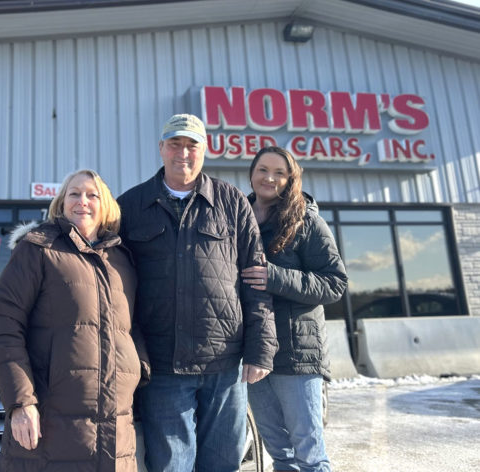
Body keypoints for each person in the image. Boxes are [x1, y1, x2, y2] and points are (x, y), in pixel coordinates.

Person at [117, 113, 278, 472]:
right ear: (161, 148)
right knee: (171, 466)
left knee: (223, 464)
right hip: (162, 366)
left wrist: (261, 349)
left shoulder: (232, 202)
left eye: (192, 145)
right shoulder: (130, 207)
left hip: (225, 364)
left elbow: (255, 279)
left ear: (204, 150)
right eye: (175, 143)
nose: (183, 153)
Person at [0, 169, 149, 472]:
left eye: (92, 194)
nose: (82, 201)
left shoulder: (121, 260)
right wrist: (21, 403)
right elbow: (3, 324)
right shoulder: (37, 249)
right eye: (74, 193)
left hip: (116, 427)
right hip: (51, 426)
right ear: (61, 203)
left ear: (106, 206)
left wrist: (139, 370)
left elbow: (130, 327)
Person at [242, 146, 347, 472]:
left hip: (298, 356)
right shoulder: (237, 219)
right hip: (254, 353)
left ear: (290, 179)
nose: (269, 178)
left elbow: (335, 284)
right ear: (252, 173)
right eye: (262, 170)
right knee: (279, 453)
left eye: (278, 172)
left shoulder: (307, 222)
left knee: (309, 456)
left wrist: (275, 277)